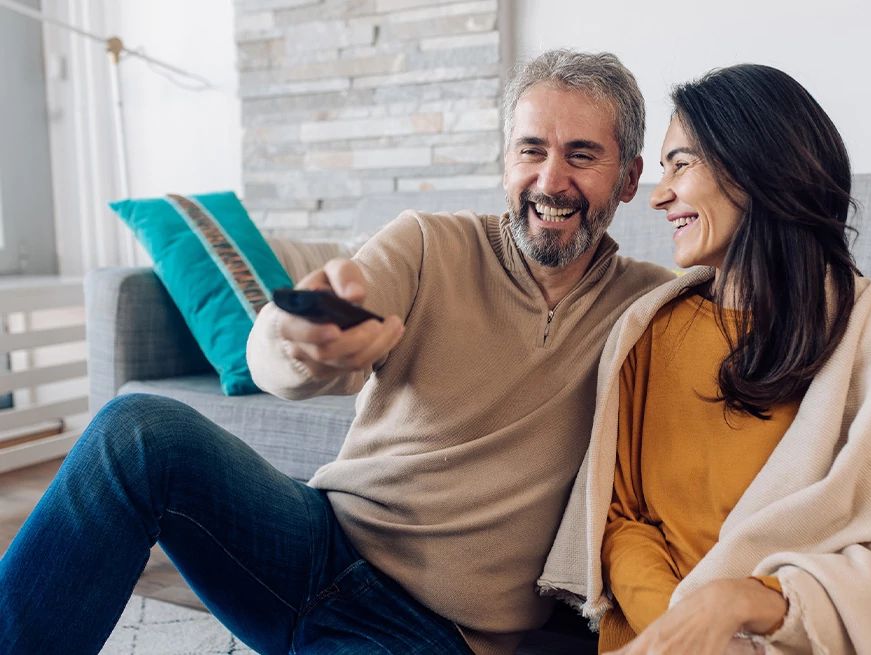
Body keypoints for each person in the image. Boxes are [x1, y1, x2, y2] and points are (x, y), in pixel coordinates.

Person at [0, 49, 673, 655]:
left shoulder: (654, 309)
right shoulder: (428, 243)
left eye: (582, 156)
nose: (550, 180)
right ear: (505, 160)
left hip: (434, 631)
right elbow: (288, 341)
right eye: (531, 150)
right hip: (313, 540)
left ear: (629, 176)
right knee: (135, 429)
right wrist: (301, 344)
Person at [539, 64, 871, 654]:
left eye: (681, 164)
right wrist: (684, 621)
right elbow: (620, 520)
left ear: (754, 169)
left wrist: (742, 601)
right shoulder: (652, 329)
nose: (660, 195)